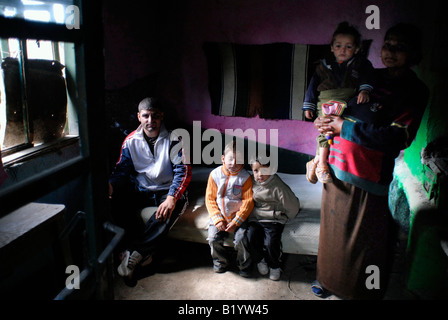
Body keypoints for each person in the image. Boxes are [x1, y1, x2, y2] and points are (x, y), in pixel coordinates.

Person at [312, 23, 429, 300]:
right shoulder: (368, 75)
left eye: (400, 47)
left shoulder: (415, 90)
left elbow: (397, 137)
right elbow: (339, 104)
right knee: (332, 234)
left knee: (363, 239)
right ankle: (327, 279)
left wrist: (344, 128)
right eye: (388, 45)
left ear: (413, 53)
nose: (391, 52)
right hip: (335, 168)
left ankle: (360, 291)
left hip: (369, 176)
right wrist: (325, 120)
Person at [109, 97, 191, 280]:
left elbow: (183, 171)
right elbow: (121, 170)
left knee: (166, 212)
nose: (150, 121)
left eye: (155, 116)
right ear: (139, 117)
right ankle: (140, 252)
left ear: (162, 116)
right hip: (142, 189)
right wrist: (111, 185)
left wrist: (172, 197)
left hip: (167, 190)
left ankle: (134, 253)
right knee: (115, 203)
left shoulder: (175, 139)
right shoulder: (130, 141)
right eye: (146, 116)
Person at [303, 21, 375, 184]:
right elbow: (313, 86)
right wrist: (309, 104)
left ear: (356, 49)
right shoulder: (323, 66)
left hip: (348, 102)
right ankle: (321, 164)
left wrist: (364, 90)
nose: (343, 50)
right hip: (327, 101)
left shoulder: (361, 64)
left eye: (348, 47)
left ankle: (314, 160)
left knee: (340, 130)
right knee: (326, 128)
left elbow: (367, 77)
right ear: (332, 48)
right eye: (338, 46)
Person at [205, 140, 254, 277]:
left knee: (241, 238)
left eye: (238, 160)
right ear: (223, 159)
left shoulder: (245, 178)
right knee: (213, 238)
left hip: (238, 217)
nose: (233, 163)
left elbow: (248, 202)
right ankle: (220, 262)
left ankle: (244, 265)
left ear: (243, 161)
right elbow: (209, 199)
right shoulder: (214, 175)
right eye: (230, 159)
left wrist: (237, 221)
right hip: (219, 215)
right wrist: (217, 218)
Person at [247, 157, 300, 281]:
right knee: (250, 236)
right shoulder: (250, 182)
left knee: (271, 242)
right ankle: (260, 259)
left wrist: (287, 216)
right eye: (256, 171)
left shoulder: (278, 186)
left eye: (264, 171)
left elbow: (292, 205)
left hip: (273, 219)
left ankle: (275, 265)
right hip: (256, 218)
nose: (259, 175)